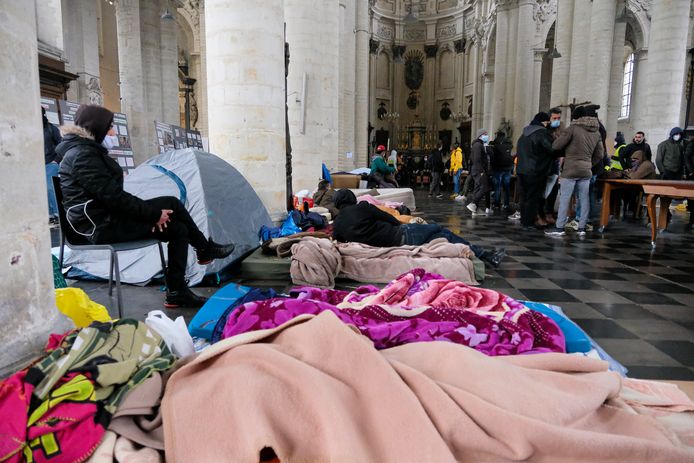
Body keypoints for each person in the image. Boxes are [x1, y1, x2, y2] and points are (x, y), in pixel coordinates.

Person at [57, 104, 235, 308]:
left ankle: (179, 288)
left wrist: (151, 214)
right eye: (110, 129)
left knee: (178, 227)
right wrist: (153, 215)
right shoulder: (82, 156)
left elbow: (111, 197)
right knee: (171, 204)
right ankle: (203, 251)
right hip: (100, 227)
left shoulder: (83, 152)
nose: (114, 133)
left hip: (106, 218)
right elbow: (114, 198)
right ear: (96, 128)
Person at [331, 189, 506, 267]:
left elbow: (338, 240)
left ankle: (481, 254)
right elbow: (390, 218)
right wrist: (403, 226)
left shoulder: (338, 223)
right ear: (351, 198)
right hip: (402, 235)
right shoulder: (362, 207)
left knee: (438, 235)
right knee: (440, 231)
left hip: (390, 245)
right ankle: (485, 255)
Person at [545, 106, 604, 237]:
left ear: (575, 117)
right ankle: (582, 228)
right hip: (586, 170)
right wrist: (589, 163)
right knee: (584, 198)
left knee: (565, 198)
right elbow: (600, 154)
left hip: (571, 169)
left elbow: (556, 145)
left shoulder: (572, 129)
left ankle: (559, 227)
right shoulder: (596, 131)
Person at [516, 112, 555, 229]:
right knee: (533, 198)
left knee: (525, 197)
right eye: (548, 122)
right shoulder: (541, 133)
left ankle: (524, 221)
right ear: (544, 122)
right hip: (535, 170)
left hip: (522, 169)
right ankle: (529, 223)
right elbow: (552, 149)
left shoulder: (523, 135)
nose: (549, 124)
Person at [540, 107, 563, 225]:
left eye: (559, 118)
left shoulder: (561, 131)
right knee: (543, 191)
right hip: (544, 165)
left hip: (555, 165)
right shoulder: (544, 131)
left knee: (553, 191)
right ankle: (541, 213)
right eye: (555, 118)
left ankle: (549, 213)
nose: (557, 120)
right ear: (549, 118)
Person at [43, 107, 63, 225]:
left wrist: (56, 160)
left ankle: (58, 215)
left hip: (51, 162)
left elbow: (61, 145)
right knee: (42, 190)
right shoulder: (30, 127)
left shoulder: (51, 128)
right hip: (36, 165)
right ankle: (49, 215)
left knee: (51, 188)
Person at [466, 129, 491, 215]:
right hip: (478, 170)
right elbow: (476, 159)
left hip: (476, 170)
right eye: (485, 134)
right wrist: (481, 171)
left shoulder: (478, 144)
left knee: (477, 189)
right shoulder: (477, 145)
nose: (487, 136)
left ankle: (475, 210)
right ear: (481, 135)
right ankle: (473, 203)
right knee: (485, 187)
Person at [490, 130, 514, 210]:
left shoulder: (495, 145)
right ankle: (506, 204)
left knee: (497, 187)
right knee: (506, 187)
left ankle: (497, 204)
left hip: (498, 168)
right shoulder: (510, 145)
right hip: (508, 168)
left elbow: (492, 158)